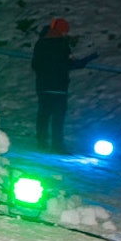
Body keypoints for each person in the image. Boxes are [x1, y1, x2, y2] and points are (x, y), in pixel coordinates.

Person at [30, 17, 96, 153]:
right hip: (59, 86)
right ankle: (57, 145)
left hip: (43, 86)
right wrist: (81, 63)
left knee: (43, 115)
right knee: (57, 117)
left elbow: (35, 64)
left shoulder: (41, 43)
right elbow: (68, 63)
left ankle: (42, 143)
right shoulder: (62, 45)